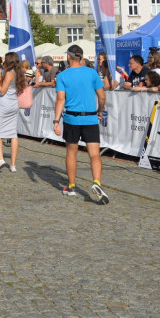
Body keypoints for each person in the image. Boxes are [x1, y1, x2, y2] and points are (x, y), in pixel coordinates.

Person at [53, 44, 110, 204]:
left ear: (69, 57)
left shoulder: (63, 76)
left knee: (72, 153)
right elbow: (102, 96)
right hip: (90, 118)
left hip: (72, 118)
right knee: (94, 153)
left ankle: (71, 187)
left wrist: (56, 121)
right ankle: (97, 182)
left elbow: (60, 100)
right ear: (81, 57)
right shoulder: (92, 73)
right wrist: (100, 110)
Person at [0, 52, 25, 173]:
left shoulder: (9, 73)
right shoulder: (19, 73)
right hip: (14, 104)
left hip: (4, 104)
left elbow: (2, 91)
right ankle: (13, 165)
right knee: (13, 133)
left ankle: (0, 159)